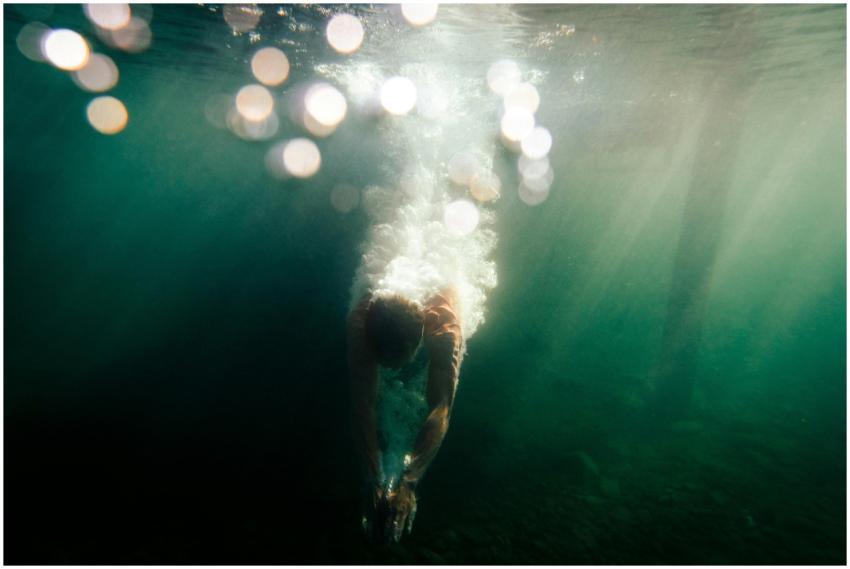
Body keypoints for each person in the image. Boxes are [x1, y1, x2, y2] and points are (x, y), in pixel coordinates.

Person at [347, 287, 464, 543]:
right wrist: (373, 478)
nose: (388, 366)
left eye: (397, 358)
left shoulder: (443, 328)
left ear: (420, 338)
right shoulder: (361, 325)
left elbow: (442, 405)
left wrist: (410, 482)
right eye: (382, 358)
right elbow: (362, 404)